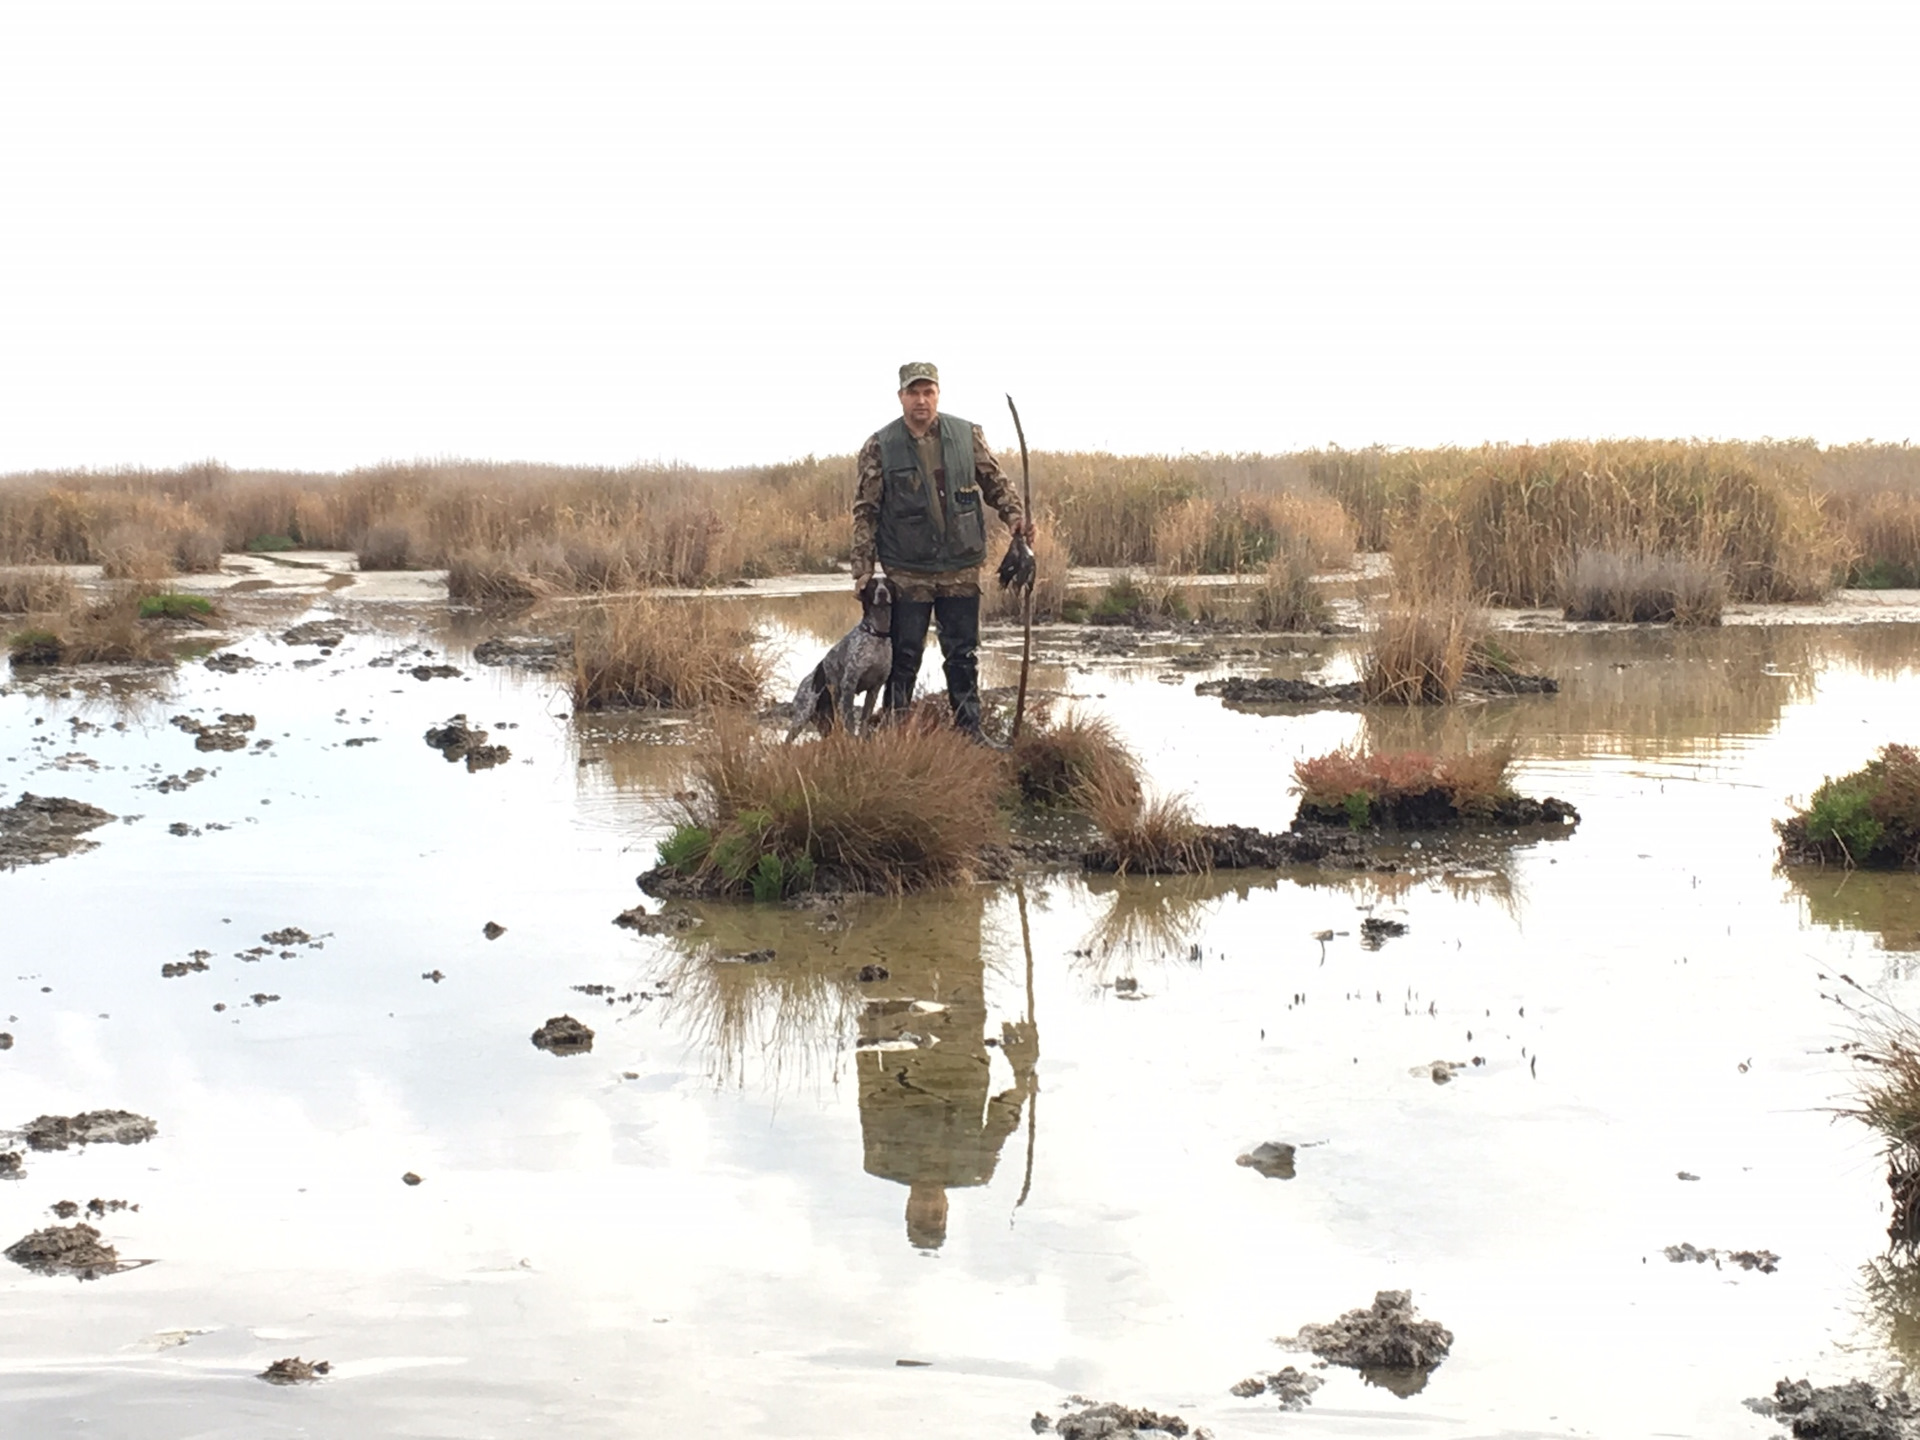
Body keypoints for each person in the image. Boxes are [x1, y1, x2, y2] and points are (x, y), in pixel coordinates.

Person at [851, 362, 1031, 736]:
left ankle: (971, 735)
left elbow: (995, 483)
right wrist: (862, 569)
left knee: (963, 656)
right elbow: (866, 511)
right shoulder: (880, 446)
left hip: (961, 568)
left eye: (928, 392)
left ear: (937, 394)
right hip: (906, 570)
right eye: (913, 393)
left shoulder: (967, 435)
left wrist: (1016, 517)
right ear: (901, 397)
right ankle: (896, 735)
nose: (921, 400)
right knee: (904, 658)